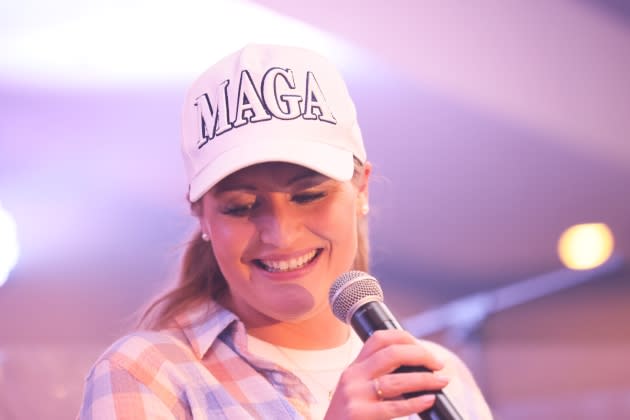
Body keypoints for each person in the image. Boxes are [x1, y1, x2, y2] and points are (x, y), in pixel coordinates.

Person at [77, 44, 493, 420]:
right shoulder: (148, 374)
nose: (280, 235)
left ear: (361, 187)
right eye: (241, 206)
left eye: (309, 195)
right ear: (201, 215)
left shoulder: (442, 376)